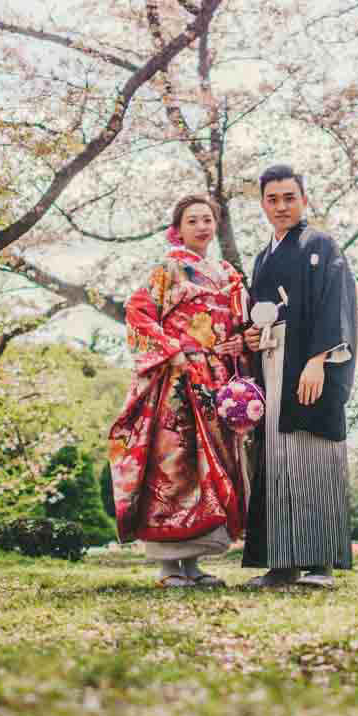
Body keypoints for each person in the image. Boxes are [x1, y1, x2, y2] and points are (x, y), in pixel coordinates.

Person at [107, 193, 251, 588]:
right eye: (193, 221)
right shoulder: (167, 268)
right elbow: (138, 313)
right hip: (177, 377)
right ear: (179, 228)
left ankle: (194, 564)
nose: (202, 226)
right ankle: (170, 567)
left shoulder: (228, 274)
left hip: (215, 379)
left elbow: (236, 326)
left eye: (207, 219)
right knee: (175, 466)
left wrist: (237, 344)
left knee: (211, 467)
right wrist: (172, 353)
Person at [242, 163, 358, 588]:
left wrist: (318, 359)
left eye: (289, 197)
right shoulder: (262, 257)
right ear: (262, 205)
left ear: (304, 200)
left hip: (310, 363)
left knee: (313, 457)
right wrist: (254, 338)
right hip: (274, 362)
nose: (281, 206)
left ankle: (319, 564)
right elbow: (260, 313)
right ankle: (282, 562)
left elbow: (336, 304)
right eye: (272, 199)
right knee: (277, 460)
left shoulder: (322, 245)